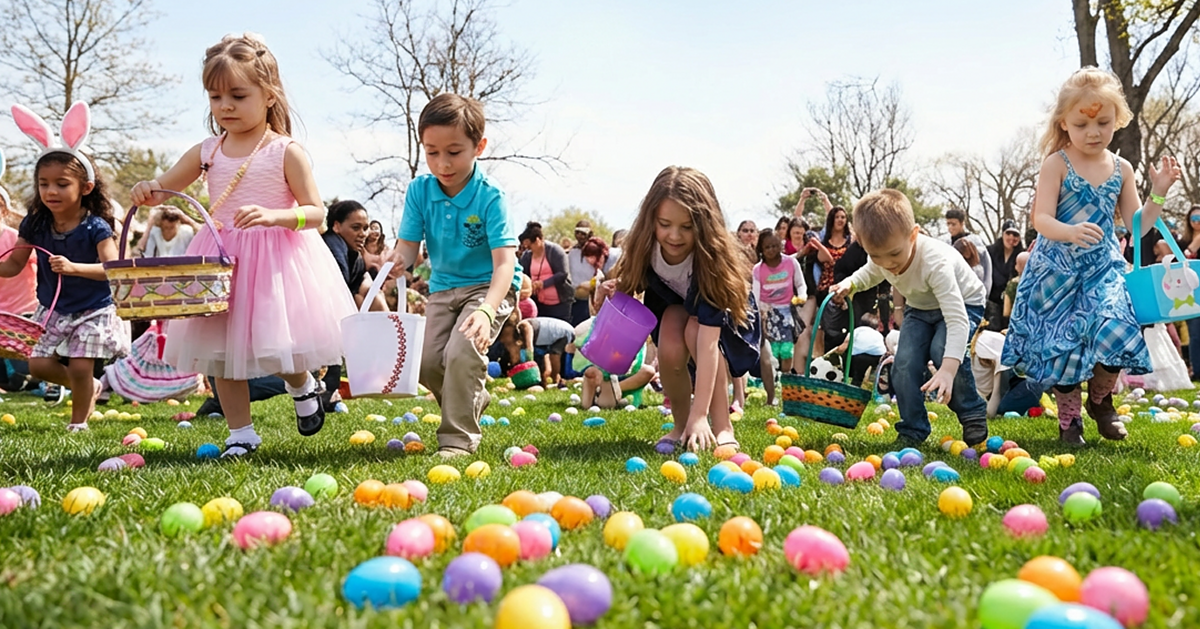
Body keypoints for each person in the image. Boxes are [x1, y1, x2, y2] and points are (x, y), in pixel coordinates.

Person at [131, 34, 355, 456]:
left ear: (268, 96)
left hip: (276, 259)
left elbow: (316, 212)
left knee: (282, 348)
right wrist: (149, 188)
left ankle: (302, 383)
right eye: (215, 97)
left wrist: (277, 217)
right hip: (220, 259)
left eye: (237, 95)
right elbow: (165, 190)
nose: (225, 107)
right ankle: (241, 434)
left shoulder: (286, 151)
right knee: (220, 349)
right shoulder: (207, 150)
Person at [1001, 67, 1182, 446]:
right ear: (1064, 122)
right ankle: (1069, 420)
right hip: (1057, 270)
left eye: (1103, 121)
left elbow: (1138, 225)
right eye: (1082, 124)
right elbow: (1041, 219)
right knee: (1064, 346)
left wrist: (1159, 194)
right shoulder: (1056, 163)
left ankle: (1100, 400)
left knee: (1116, 328)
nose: (1094, 132)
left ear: (1118, 119)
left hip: (1103, 269)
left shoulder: (1121, 168)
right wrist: (1068, 231)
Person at [387, 92, 521, 458]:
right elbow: (408, 248)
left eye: (454, 152)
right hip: (444, 288)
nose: (442, 163)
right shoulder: (420, 191)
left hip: (488, 287)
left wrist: (487, 310)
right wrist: (398, 259)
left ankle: (457, 441)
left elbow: (504, 264)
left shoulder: (491, 197)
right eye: (432, 152)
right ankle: (473, 396)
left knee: (462, 353)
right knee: (427, 362)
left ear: (479, 146)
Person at [594, 166, 760, 453]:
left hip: (725, 322)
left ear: (704, 224)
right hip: (677, 308)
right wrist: (609, 289)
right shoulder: (644, 246)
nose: (674, 236)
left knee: (696, 329)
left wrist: (702, 415)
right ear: (652, 219)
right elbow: (627, 289)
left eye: (687, 227)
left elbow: (708, 345)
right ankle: (681, 424)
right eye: (665, 224)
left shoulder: (710, 260)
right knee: (669, 335)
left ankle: (721, 425)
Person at [1, 102, 130, 430]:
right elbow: (15, 264)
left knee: (81, 366)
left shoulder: (97, 227)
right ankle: (87, 389)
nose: (51, 191)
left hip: (93, 309)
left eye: (62, 183)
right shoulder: (35, 224)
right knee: (39, 365)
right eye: (44, 183)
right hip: (54, 307)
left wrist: (74, 268)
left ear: (85, 188)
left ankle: (78, 424)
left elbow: (113, 269)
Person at [832, 189, 989, 448]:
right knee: (903, 364)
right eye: (876, 255)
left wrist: (947, 370)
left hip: (963, 303)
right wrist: (849, 283)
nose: (887, 264)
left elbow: (957, 320)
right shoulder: (883, 257)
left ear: (913, 235)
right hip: (920, 307)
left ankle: (972, 412)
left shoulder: (935, 263)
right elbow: (870, 272)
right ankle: (913, 428)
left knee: (942, 349)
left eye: (894, 254)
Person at [752, 229, 806, 403]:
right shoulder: (758, 270)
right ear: (761, 249)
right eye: (767, 247)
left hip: (786, 311)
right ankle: (771, 392)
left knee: (787, 350)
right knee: (770, 354)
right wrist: (760, 312)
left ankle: (785, 380)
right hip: (767, 313)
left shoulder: (791, 263)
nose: (771, 250)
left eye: (775, 245)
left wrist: (802, 296)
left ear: (781, 245)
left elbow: (800, 283)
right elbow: (756, 293)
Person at [322, 200, 387, 311]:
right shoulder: (332, 249)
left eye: (365, 228)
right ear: (336, 226)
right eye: (356, 228)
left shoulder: (355, 256)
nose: (363, 234)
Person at [519, 221, 574, 322]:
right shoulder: (527, 256)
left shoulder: (555, 251)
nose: (528, 249)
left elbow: (563, 274)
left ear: (538, 240)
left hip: (559, 305)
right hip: (539, 303)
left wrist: (543, 284)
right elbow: (523, 274)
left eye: (530, 246)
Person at [944, 207, 993, 297]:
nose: (950, 228)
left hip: (972, 290)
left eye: (953, 224)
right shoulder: (945, 243)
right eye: (948, 224)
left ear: (962, 224)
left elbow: (985, 267)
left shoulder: (974, 242)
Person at [985, 220, 1024, 329]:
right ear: (1002, 234)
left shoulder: (1020, 256)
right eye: (1008, 234)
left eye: (1015, 234)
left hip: (1011, 304)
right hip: (991, 301)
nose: (1011, 237)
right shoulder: (989, 252)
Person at [516, 316, 575, 386]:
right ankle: (549, 379)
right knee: (544, 356)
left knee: (555, 354)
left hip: (564, 332)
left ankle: (555, 378)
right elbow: (544, 355)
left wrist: (529, 369)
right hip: (552, 330)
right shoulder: (536, 334)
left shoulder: (525, 327)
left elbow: (529, 349)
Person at [832, 312, 886, 387]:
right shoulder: (878, 334)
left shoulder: (857, 330)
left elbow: (846, 344)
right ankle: (874, 375)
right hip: (877, 355)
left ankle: (854, 385)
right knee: (874, 368)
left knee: (858, 375)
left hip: (860, 356)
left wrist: (837, 351)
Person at [1180, 204, 1200, 379]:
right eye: (1194, 219)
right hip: (1191, 293)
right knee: (1194, 334)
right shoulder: (1183, 241)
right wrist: (1194, 244)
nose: (1197, 222)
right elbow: (1179, 262)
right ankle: (1197, 370)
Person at [567, 220, 597, 324]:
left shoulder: (596, 252)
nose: (579, 236)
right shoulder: (572, 252)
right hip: (575, 297)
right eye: (577, 232)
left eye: (583, 233)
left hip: (592, 298)